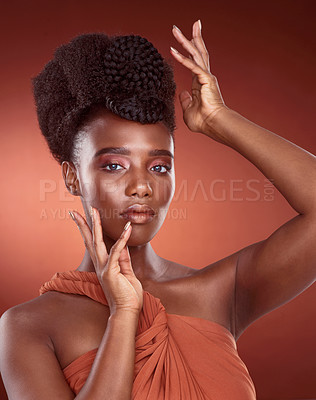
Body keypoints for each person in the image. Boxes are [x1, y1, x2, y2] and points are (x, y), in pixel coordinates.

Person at [0, 19, 315, 400]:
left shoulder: (222, 292)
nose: (142, 186)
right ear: (72, 177)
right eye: (114, 165)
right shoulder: (30, 326)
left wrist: (220, 119)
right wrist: (123, 314)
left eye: (159, 166)